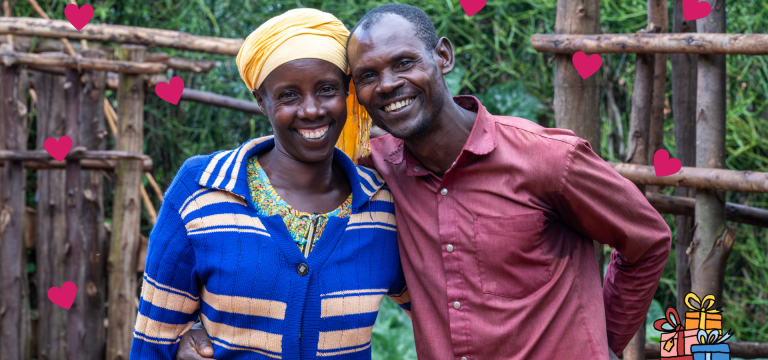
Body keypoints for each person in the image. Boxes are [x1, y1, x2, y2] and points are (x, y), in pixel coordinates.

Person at [178, 4, 671, 360]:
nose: (388, 84)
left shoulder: (547, 159)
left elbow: (647, 241)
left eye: (404, 63)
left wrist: (604, 339)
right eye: (367, 76)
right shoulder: (376, 171)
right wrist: (205, 327)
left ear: (443, 57)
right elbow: (306, 246)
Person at [130, 8, 411, 360]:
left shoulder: (382, 203)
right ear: (261, 101)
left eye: (326, 89)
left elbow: (444, 306)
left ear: (347, 94)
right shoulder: (201, 191)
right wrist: (183, 341)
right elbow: (153, 343)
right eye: (289, 95)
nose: (311, 110)